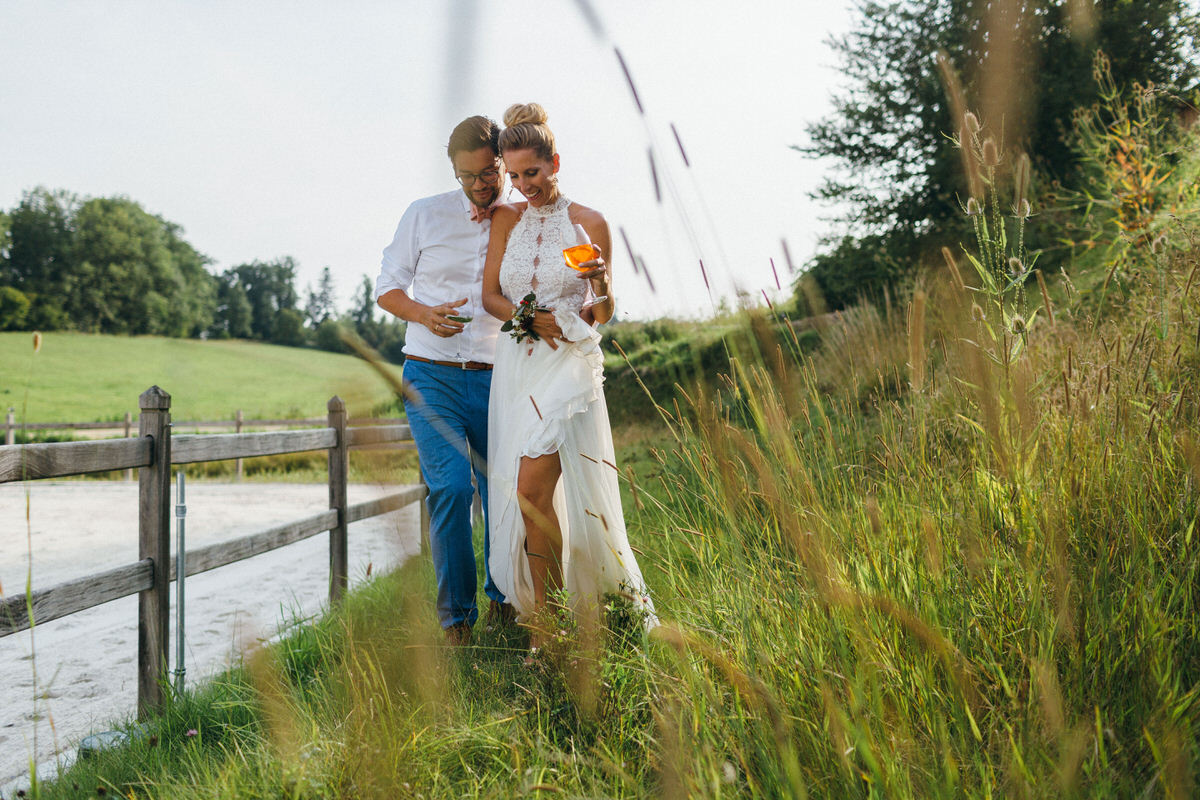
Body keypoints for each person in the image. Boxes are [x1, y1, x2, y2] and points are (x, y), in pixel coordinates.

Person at [482, 103, 654, 646]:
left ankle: (546, 633)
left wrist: (601, 281)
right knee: (527, 498)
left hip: (569, 368)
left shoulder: (590, 222)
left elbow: (601, 314)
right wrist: (526, 316)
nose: (522, 185)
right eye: (513, 176)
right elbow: (490, 296)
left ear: (554, 162)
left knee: (533, 490)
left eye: (531, 172)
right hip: (518, 369)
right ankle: (548, 621)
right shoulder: (505, 219)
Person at [375, 115, 515, 645]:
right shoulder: (424, 215)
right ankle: (458, 622)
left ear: (502, 160)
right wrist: (424, 313)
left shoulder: (518, 217)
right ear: (453, 172)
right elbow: (387, 288)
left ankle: (504, 602)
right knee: (453, 489)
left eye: (489, 172)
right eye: (469, 176)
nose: (481, 185)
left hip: (498, 374)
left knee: (501, 491)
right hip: (431, 374)